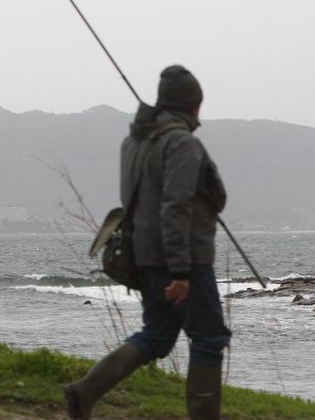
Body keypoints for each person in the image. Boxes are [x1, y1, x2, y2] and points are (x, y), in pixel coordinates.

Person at [64, 65, 231, 420]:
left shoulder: (133, 142)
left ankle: (84, 392)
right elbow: (175, 206)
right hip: (182, 260)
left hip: (144, 257)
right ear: (193, 106)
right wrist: (182, 271)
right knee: (208, 340)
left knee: (157, 336)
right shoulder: (181, 142)